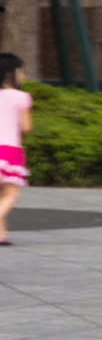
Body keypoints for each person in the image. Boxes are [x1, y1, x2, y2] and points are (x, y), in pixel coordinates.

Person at [0, 53, 32, 246]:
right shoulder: (21, 97)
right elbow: (26, 127)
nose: (24, 74)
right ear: (13, 73)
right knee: (12, 194)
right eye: (22, 70)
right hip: (10, 150)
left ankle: (1, 234)